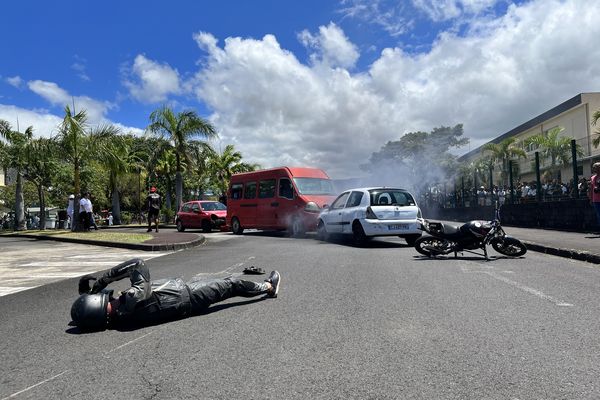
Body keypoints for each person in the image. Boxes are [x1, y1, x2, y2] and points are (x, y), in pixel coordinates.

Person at [70, 259, 281, 331]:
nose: (111, 295)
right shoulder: (130, 301)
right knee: (232, 284)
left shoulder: (121, 317)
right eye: (105, 297)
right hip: (190, 296)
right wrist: (102, 281)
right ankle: (268, 287)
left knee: (229, 285)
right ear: (99, 304)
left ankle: (266, 287)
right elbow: (137, 265)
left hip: (185, 295)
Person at [589, 162, 600, 231]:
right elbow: (591, 189)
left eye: (596, 167)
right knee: (598, 215)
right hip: (596, 200)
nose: (594, 169)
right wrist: (591, 199)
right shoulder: (593, 178)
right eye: (594, 167)